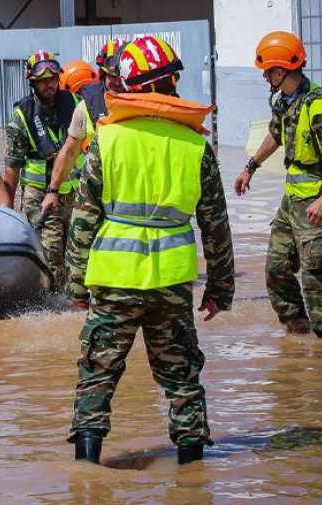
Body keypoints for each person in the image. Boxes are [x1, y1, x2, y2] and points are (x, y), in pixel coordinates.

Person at [66, 35, 235, 466]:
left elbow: (83, 219)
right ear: (170, 82)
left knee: (97, 375)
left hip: (113, 278)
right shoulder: (196, 146)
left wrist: (76, 282)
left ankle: (87, 477)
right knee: (181, 379)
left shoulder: (107, 141)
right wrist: (221, 287)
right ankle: (194, 480)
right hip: (172, 283)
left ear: (129, 87)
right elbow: (215, 224)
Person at [234, 31, 322, 339]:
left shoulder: (320, 108)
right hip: (290, 204)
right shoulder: (285, 102)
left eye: (267, 70)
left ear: (281, 71)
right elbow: (276, 135)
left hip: (317, 207)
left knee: (318, 282)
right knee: (276, 270)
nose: (265, 76)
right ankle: (297, 330)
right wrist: (250, 167)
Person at [4, 50, 78, 291]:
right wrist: (7, 209)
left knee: (78, 254)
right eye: (43, 81)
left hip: (74, 194)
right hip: (39, 197)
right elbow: (13, 165)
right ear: (32, 83)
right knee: (51, 254)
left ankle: (76, 300)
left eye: (53, 79)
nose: (49, 85)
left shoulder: (75, 103)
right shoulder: (21, 115)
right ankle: (54, 303)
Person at [50, 39, 128, 222]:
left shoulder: (147, 105)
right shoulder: (86, 108)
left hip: (131, 194)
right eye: (112, 76)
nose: (117, 82)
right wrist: (52, 191)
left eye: (122, 75)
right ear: (102, 74)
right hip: (97, 195)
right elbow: (69, 151)